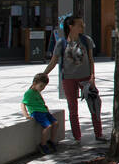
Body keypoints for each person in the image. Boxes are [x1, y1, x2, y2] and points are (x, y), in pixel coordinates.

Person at [43, 15, 105, 143]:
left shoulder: (86, 40)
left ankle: (99, 134)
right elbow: (53, 61)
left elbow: (91, 60)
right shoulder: (62, 42)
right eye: (80, 24)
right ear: (71, 26)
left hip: (86, 78)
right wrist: (44, 74)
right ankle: (77, 137)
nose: (83, 26)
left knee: (94, 105)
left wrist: (92, 77)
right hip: (69, 79)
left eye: (83, 24)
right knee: (73, 108)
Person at [21, 72, 57, 155]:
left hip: (44, 111)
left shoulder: (37, 91)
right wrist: (26, 114)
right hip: (37, 112)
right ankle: (43, 144)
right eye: (41, 86)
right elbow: (23, 104)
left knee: (56, 123)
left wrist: (45, 106)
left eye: (44, 87)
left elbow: (41, 101)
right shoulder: (29, 93)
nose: (42, 88)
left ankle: (51, 141)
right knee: (48, 126)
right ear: (34, 83)